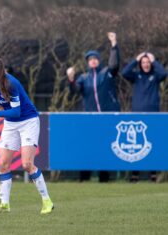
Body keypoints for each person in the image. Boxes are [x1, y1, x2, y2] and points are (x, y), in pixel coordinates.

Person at [0, 57, 53, 214]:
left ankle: (47, 201)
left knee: (27, 164)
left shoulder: (10, 83)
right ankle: (4, 205)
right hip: (10, 123)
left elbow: (16, 111)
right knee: (3, 164)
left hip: (28, 121)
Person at [67, 32, 120, 182]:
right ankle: (84, 178)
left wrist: (114, 44)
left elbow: (115, 64)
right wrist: (71, 79)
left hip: (107, 117)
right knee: (87, 148)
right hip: (90, 119)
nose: (93, 61)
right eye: (90, 59)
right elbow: (75, 91)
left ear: (99, 61)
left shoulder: (107, 73)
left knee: (105, 148)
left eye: (95, 58)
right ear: (87, 62)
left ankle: (104, 178)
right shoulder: (84, 78)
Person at [122, 52, 167, 182]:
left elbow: (164, 74)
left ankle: (153, 174)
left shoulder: (156, 75)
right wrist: (135, 60)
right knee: (136, 145)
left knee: (152, 143)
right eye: (143, 62)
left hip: (153, 114)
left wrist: (154, 61)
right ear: (140, 64)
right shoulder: (136, 76)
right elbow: (125, 72)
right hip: (137, 114)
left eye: (147, 62)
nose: (146, 64)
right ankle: (134, 174)